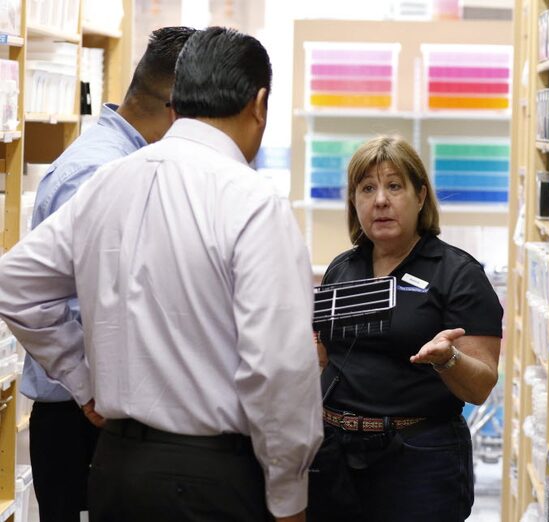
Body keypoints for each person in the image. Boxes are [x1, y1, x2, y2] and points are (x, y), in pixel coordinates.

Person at [0, 26, 322, 522]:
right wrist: (288, 495)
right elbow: (276, 367)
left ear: (178, 99)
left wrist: (84, 383)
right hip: (214, 476)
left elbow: (15, 284)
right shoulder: (252, 201)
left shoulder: (109, 181)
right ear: (259, 104)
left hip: (116, 468)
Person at [20, 26, 196, 522]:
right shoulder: (97, 172)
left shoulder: (130, 160)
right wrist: (90, 389)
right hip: (83, 416)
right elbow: (63, 304)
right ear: (176, 107)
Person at [308, 135, 504, 522]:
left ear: (420, 196)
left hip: (418, 461)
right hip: (335, 455)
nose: (380, 200)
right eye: (367, 188)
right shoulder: (341, 269)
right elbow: (323, 359)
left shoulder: (458, 274)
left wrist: (447, 359)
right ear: (354, 202)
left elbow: (480, 386)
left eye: (394, 186)